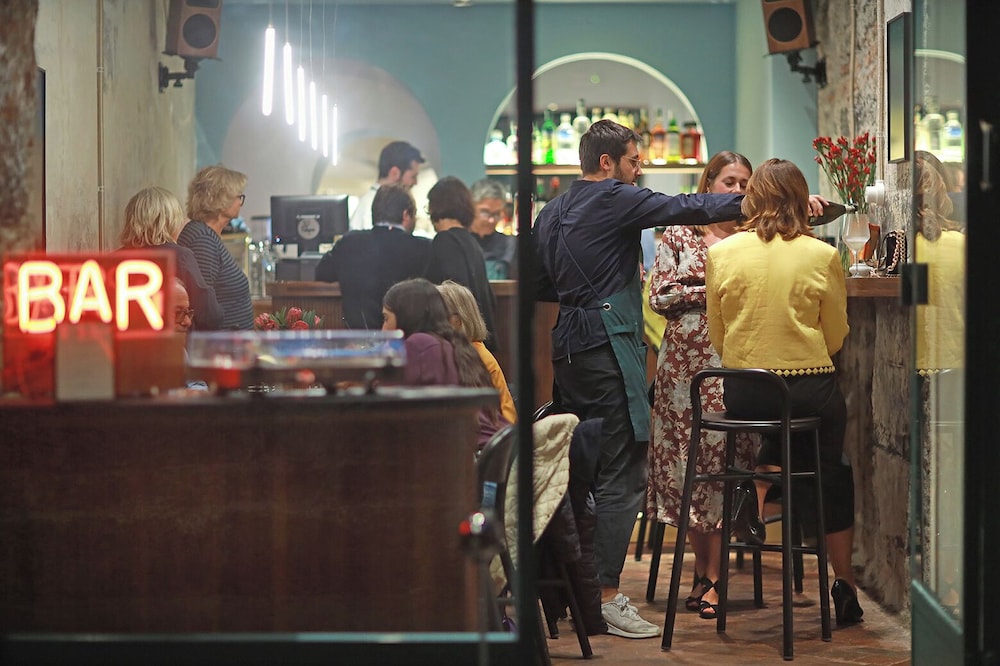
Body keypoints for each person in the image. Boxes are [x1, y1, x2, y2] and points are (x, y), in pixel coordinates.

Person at [533, 119, 747, 640]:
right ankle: (606, 596)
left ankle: (576, 593)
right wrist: (762, 201)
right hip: (607, 341)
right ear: (606, 163)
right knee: (625, 467)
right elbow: (687, 206)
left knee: (582, 469)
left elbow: (543, 284)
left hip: (568, 346)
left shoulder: (552, 209)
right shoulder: (614, 196)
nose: (639, 169)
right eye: (633, 160)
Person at [705, 158, 863, 627]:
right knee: (831, 470)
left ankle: (753, 495)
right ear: (802, 200)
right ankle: (843, 582)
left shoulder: (722, 253)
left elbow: (718, 335)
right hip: (807, 389)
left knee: (777, 431)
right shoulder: (821, 255)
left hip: (744, 393)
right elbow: (835, 335)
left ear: (750, 199)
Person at [646, 151, 757, 619]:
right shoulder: (680, 231)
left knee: (724, 460)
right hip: (683, 366)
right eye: (729, 181)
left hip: (735, 358)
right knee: (688, 463)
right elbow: (660, 295)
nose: (737, 191)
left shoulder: (755, 234)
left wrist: (699, 289)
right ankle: (703, 571)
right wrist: (713, 290)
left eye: (745, 183)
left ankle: (713, 575)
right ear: (708, 183)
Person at [382, 278, 508, 451]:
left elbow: (388, 402)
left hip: (471, 455)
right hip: (493, 450)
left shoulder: (420, 343)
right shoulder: (454, 343)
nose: (383, 329)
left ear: (407, 315)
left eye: (386, 318)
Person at [315, 183, 431, 329]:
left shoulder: (349, 243)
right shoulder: (424, 248)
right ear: (406, 215)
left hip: (359, 337)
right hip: (407, 339)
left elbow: (322, 273)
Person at [119, 186, 224, 330]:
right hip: (170, 342)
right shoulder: (179, 256)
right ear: (169, 221)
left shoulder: (114, 260)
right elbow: (210, 315)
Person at [423, 176, 498, 353]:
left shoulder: (444, 240)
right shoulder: (472, 242)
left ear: (435, 206)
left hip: (458, 345)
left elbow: (453, 293)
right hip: (478, 342)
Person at [177, 164, 255, 330]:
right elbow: (203, 307)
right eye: (238, 196)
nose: (240, 202)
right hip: (220, 344)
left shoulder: (207, 235)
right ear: (220, 199)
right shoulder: (202, 239)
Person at [436, 279, 517, 425]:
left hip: (496, 433)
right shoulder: (456, 351)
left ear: (458, 321)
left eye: (438, 315)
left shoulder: (473, 357)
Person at [349, 140, 425, 231]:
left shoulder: (377, 202)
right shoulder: (373, 205)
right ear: (394, 173)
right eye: (413, 176)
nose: (416, 182)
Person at [469, 178, 517, 280]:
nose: (491, 220)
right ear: (471, 208)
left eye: (496, 213)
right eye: (485, 212)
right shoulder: (459, 243)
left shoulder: (510, 244)